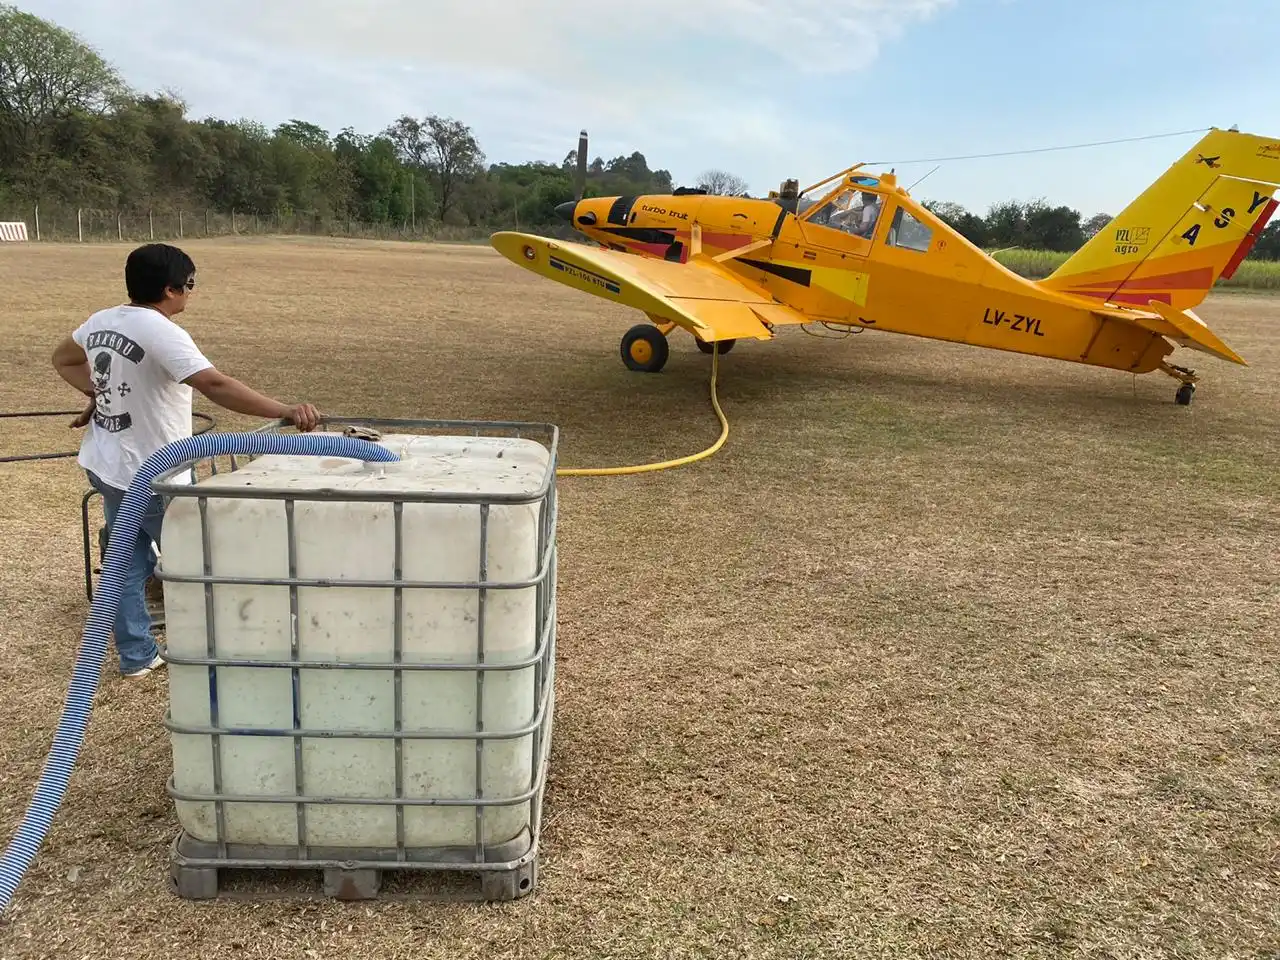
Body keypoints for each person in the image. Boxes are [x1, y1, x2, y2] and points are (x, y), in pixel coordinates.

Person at [51, 243, 321, 679]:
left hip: (108, 465)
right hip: (156, 473)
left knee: (126, 560)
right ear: (170, 289)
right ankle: (239, 648)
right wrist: (285, 410)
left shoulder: (101, 321)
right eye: (190, 286)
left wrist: (98, 395)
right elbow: (215, 384)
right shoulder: (162, 333)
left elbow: (64, 358)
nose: (191, 295)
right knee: (208, 561)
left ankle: (137, 655)